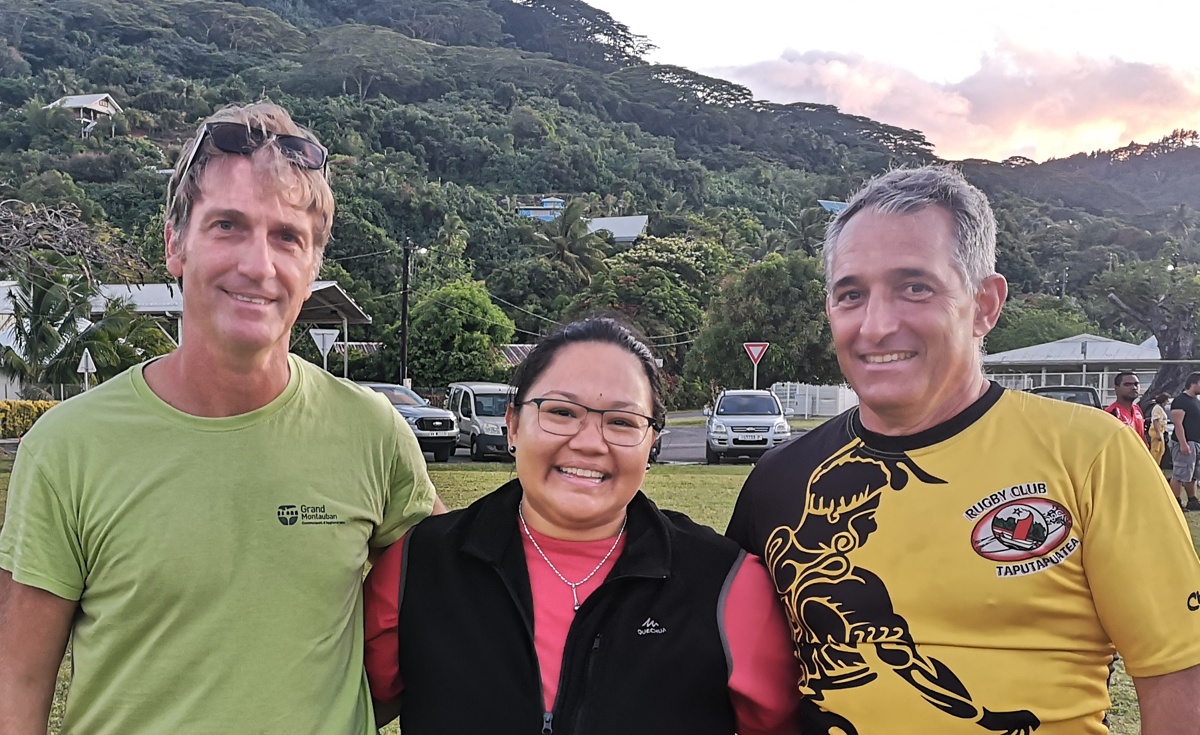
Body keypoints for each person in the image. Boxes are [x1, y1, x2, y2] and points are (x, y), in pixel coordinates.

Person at [0, 103, 443, 735]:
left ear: (314, 264)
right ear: (175, 243)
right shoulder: (67, 447)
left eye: (287, 237)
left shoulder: (373, 433)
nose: (258, 266)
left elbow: (451, 604)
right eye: (228, 225)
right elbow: (15, 685)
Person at [726, 165, 1200, 735]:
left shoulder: (1093, 455)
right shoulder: (779, 481)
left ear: (985, 304)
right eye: (851, 294)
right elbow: (744, 677)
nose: (875, 326)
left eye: (915, 287)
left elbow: (1180, 678)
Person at [363, 317, 803, 735]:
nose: (590, 443)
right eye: (561, 412)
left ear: (652, 443)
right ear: (513, 425)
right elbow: (352, 705)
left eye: (622, 422)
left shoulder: (727, 585)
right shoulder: (417, 568)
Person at [1169, 373, 1200, 511]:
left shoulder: (1196, 401)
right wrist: (1183, 443)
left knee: (1193, 475)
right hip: (1185, 442)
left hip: (1196, 442)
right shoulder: (1180, 401)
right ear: (1194, 383)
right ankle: (1175, 502)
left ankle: (1192, 500)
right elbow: (1178, 424)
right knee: (1180, 474)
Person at [1105, 371, 1146, 445]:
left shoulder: (1137, 409)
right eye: (1127, 385)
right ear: (1116, 388)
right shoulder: (1112, 413)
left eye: (1136, 384)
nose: (1134, 387)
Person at [1149, 392, 1171, 466]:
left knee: (1161, 450)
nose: (1167, 402)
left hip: (1161, 431)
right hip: (1157, 430)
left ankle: (1157, 466)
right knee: (1155, 450)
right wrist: (1158, 433)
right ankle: (1153, 466)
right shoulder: (1157, 408)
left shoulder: (1161, 408)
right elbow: (1155, 421)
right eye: (1167, 400)